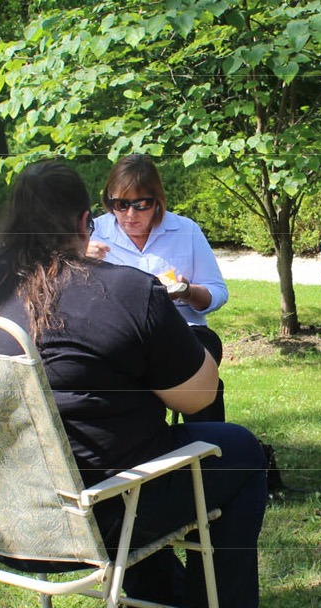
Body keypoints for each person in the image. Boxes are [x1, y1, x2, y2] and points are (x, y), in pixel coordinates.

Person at [0, 160, 295, 608]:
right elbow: (198, 397)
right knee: (238, 450)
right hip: (87, 522)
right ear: (84, 222)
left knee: (123, 451)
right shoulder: (125, 291)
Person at [86, 154, 230, 422]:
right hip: (120, 334)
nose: (129, 215)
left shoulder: (184, 230)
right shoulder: (93, 233)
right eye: (120, 204)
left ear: (157, 202)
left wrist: (187, 290)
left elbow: (218, 292)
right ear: (109, 201)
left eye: (141, 205)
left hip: (183, 329)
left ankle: (210, 454)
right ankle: (143, 449)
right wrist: (80, 260)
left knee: (198, 373)